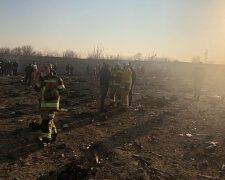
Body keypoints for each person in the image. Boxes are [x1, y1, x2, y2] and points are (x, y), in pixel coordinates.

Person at [34, 64, 65, 147]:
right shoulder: (41, 79)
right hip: (43, 105)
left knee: (46, 122)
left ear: (49, 70)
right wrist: (38, 80)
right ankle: (54, 134)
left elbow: (62, 90)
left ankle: (46, 140)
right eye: (41, 71)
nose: (42, 72)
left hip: (52, 105)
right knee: (48, 120)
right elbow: (36, 89)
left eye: (43, 70)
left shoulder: (57, 79)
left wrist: (52, 93)